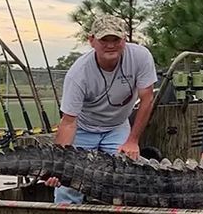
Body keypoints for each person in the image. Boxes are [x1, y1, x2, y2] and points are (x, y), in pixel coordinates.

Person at [46, 14, 158, 203]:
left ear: (124, 39)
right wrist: (59, 164)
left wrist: (133, 141)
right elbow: (68, 122)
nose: (111, 45)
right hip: (83, 128)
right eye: (104, 39)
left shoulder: (140, 57)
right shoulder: (78, 74)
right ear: (92, 41)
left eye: (116, 39)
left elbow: (147, 99)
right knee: (68, 184)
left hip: (117, 126)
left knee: (125, 176)